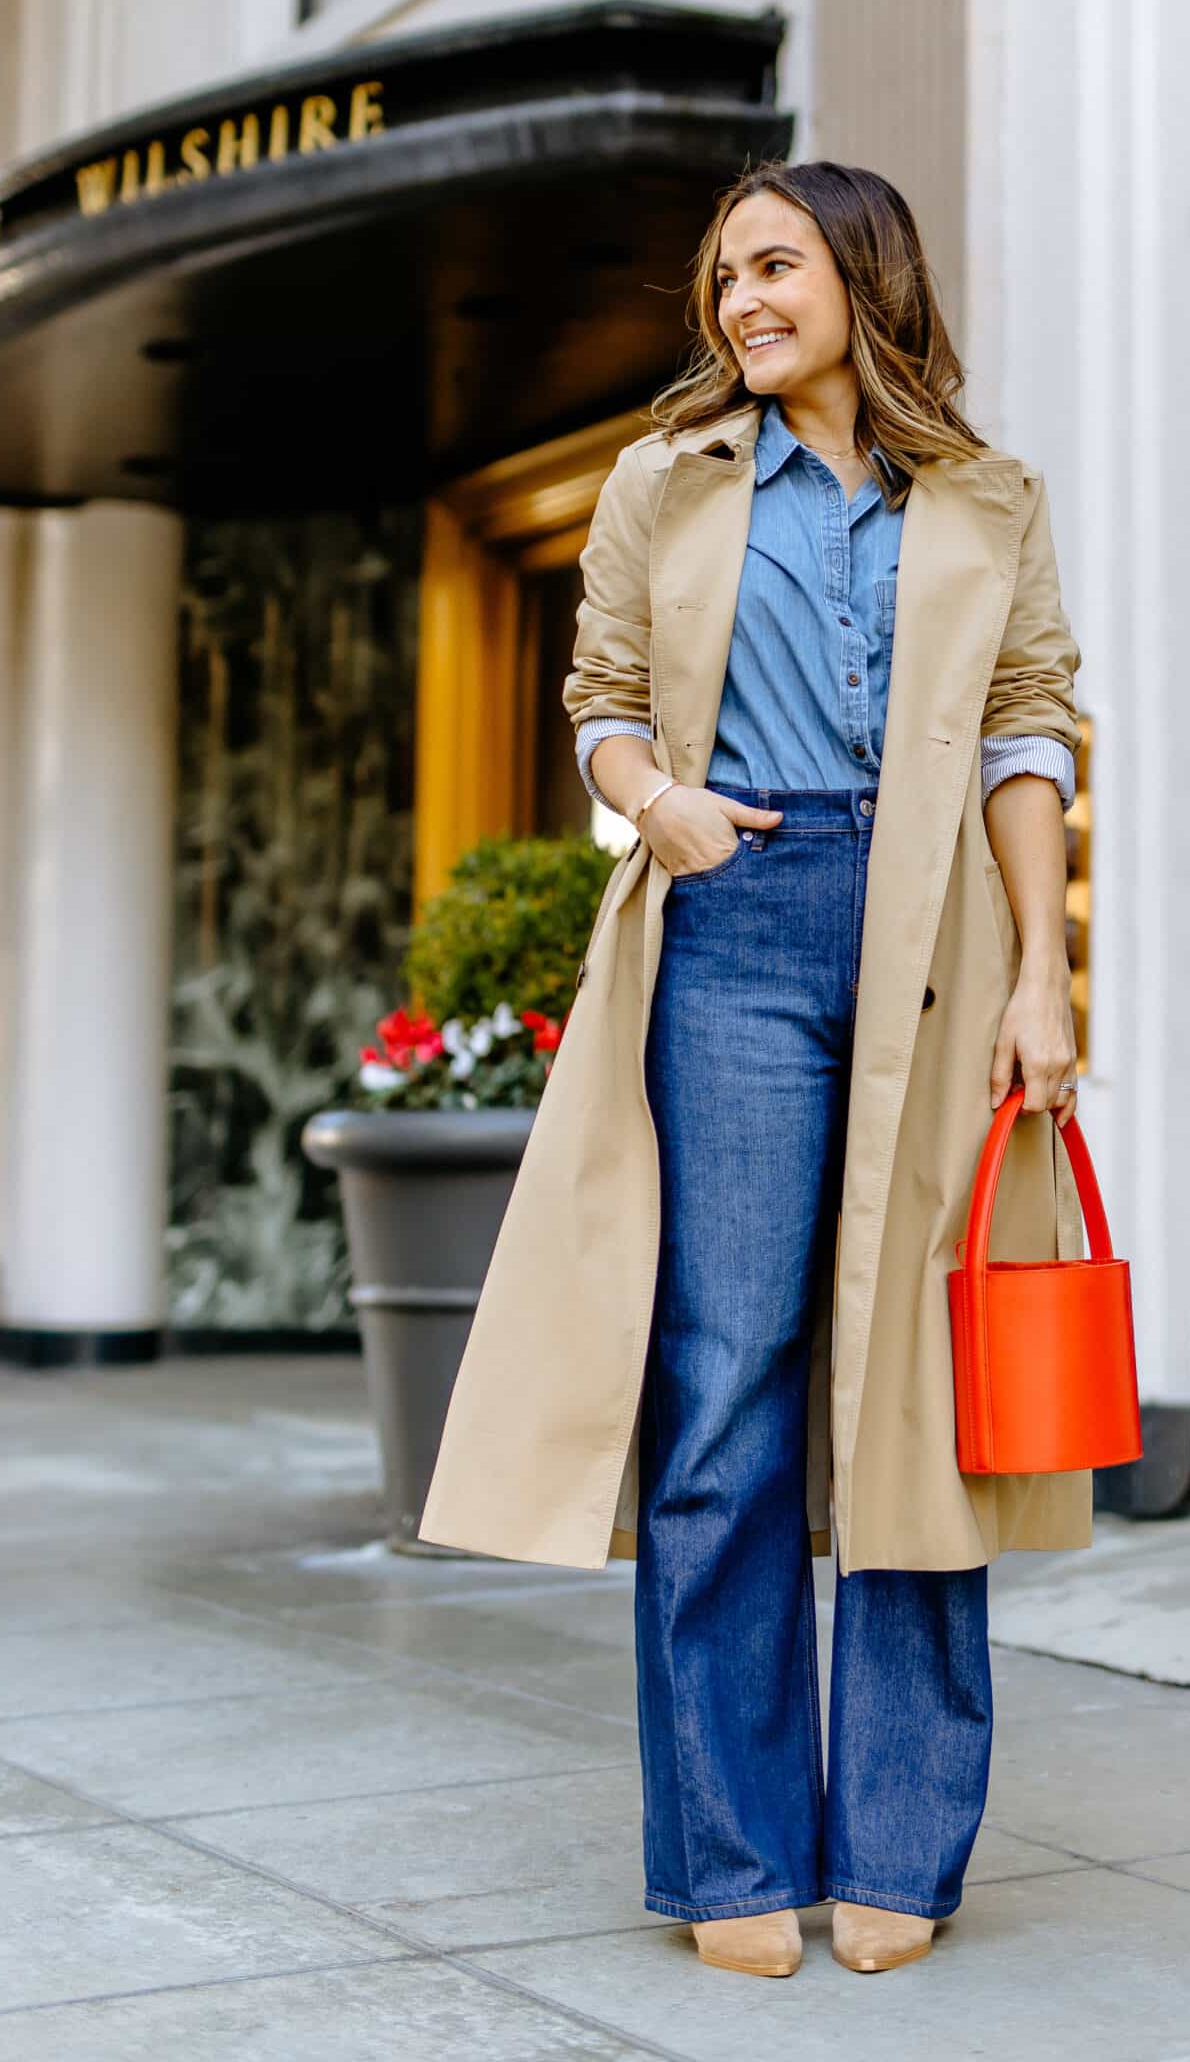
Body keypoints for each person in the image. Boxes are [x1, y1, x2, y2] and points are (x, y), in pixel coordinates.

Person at [418, 158, 1090, 1980]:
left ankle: (899, 1843)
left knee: (920, 1397)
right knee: (728, 1388)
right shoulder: (666, 484)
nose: (740, 302)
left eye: (774, 266)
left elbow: (1031, 727)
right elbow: (600, 697)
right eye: (725, 277)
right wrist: (664, 809)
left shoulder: (985, 497)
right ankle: (729, 1859)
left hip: (935, 941)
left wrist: (1043, 969)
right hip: (735, 922)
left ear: (865, 274)